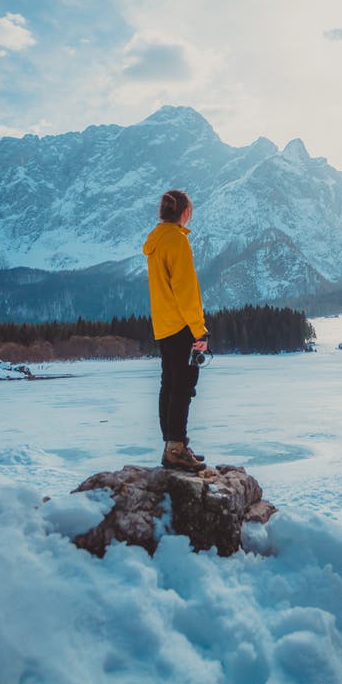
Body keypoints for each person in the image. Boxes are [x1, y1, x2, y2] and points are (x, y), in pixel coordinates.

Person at [143, 189, 208, 472]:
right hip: (182, 325)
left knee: (169, 385)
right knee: (183, 387)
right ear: (184, 212)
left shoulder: (156, 242)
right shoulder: (177, 242)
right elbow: (186, 291)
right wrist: (199, 330)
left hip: (163, 326)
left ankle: (172, 445)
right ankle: (176, 449)